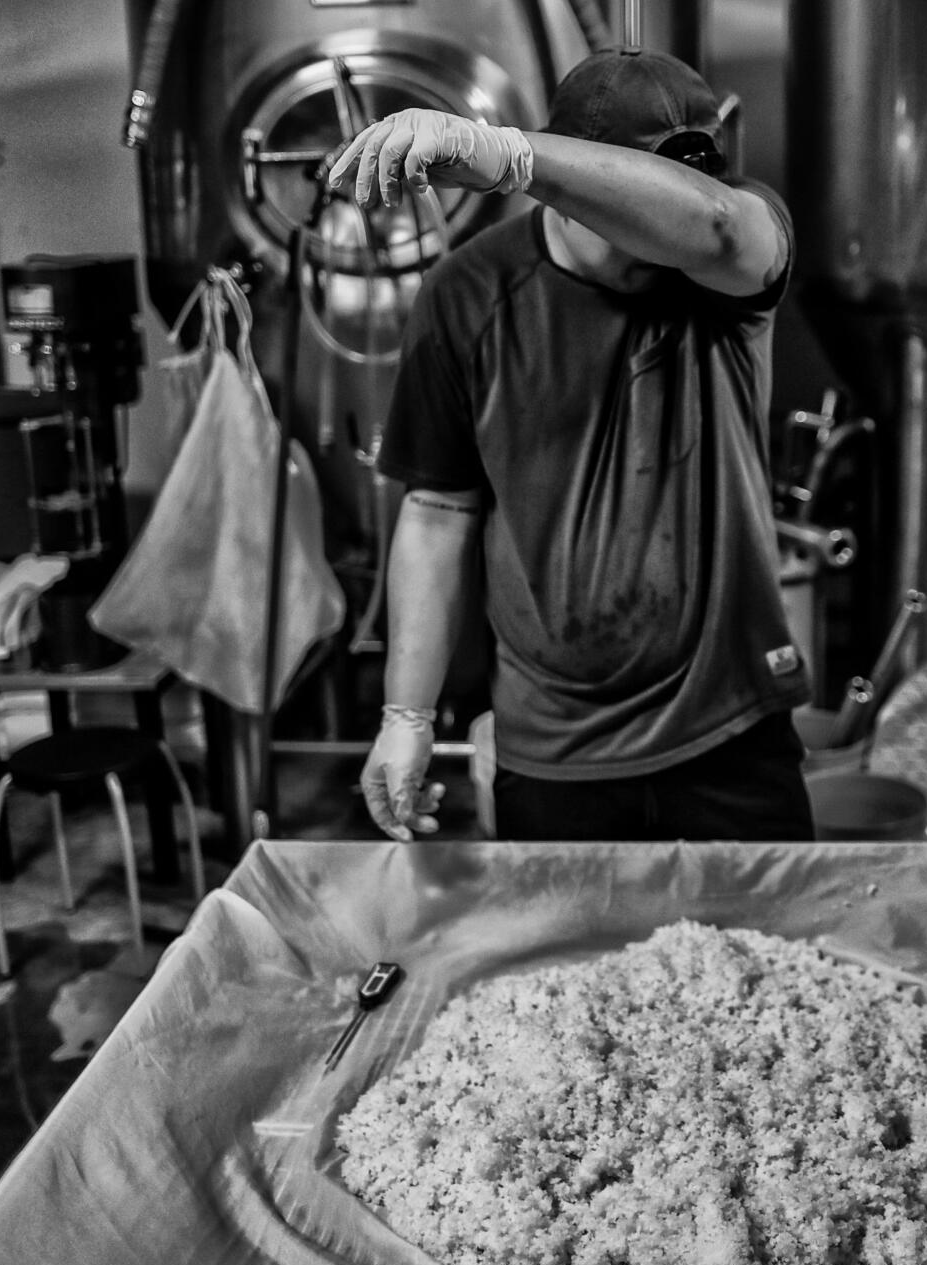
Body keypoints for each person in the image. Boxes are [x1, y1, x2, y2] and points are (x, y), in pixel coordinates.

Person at [331, 46, 814, 843]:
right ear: (572, 190)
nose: (652, 229)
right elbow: (438, 509)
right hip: (555, 747)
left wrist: (503, 151)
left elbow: (719, 226)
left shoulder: (725, 257)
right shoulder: (470, 293)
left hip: (731, 729)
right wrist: (407, 714)